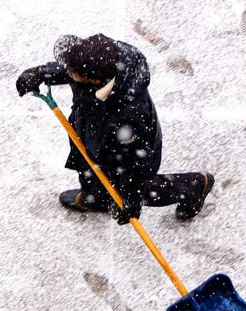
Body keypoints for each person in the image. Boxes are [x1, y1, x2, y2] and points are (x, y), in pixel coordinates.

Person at [15, 34, 214, 225]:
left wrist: (132, 200)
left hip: (125, 152)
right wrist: (43, 72)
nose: (68, 73)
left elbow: (136, 164)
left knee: (130, 186)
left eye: (72, 72)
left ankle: (194, 185)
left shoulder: (127, 116)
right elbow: (75, 66)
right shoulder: (104, 57)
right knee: (89, 166)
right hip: (93, 133)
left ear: (93, 80)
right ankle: (96, 198)